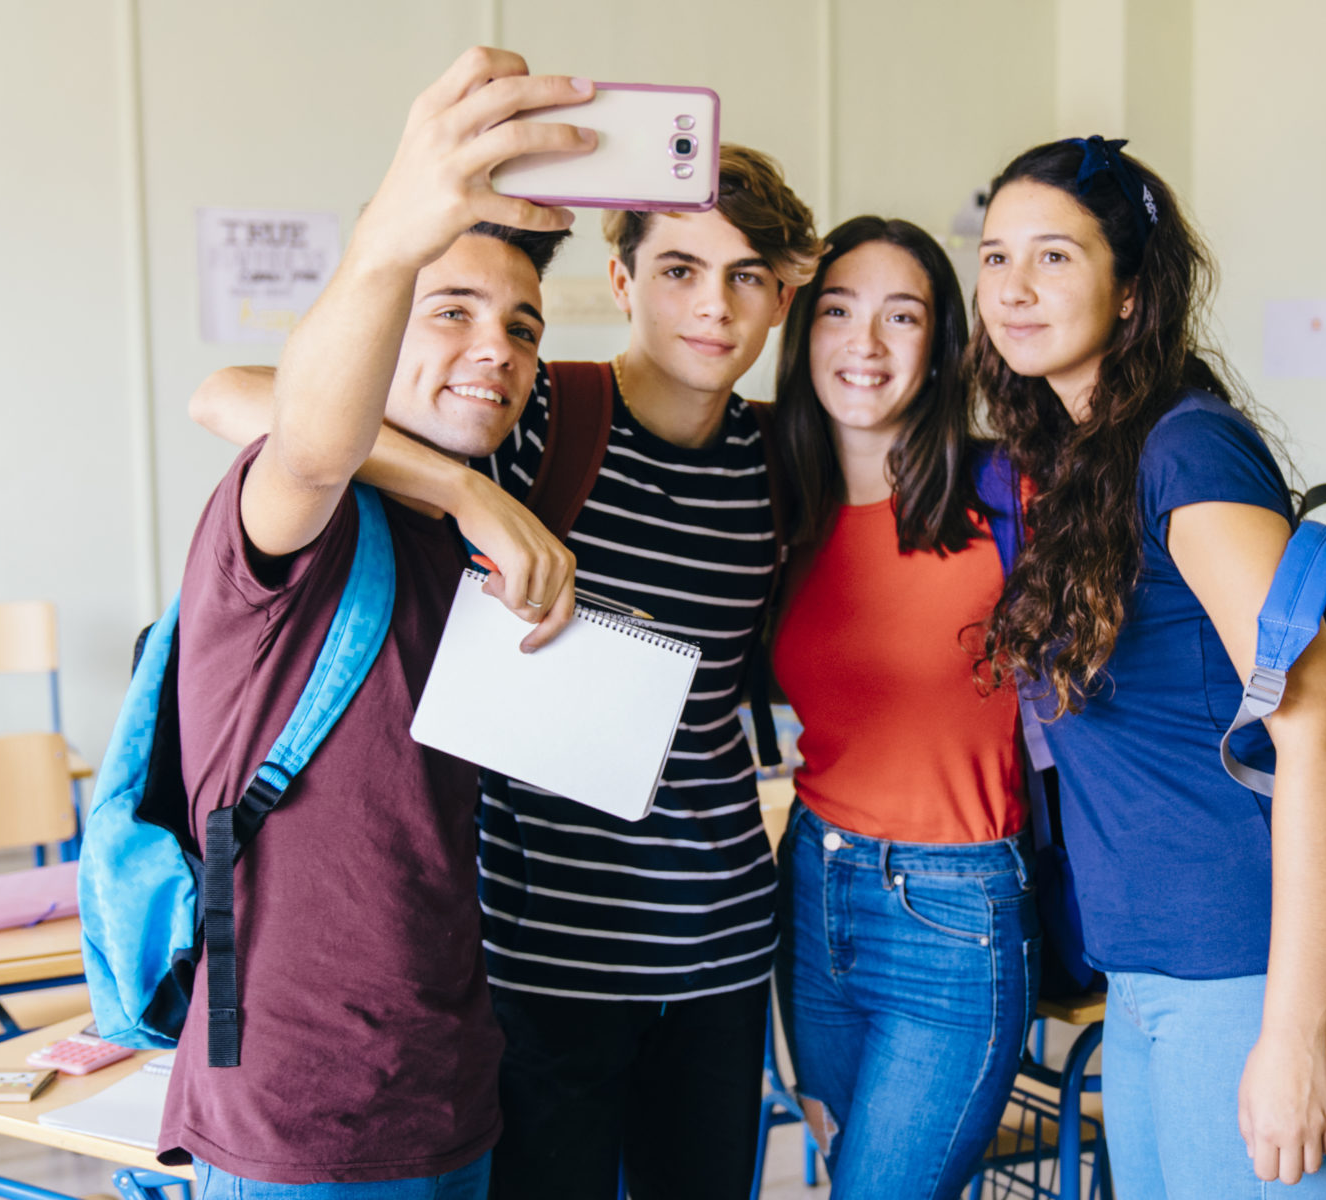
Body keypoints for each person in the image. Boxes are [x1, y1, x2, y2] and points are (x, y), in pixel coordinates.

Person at [190, 146, 821, 1199]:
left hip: (713, 947)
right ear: (621, 283)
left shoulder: (779, 462)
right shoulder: (533, 414)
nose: (712, 306)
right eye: (677, 270)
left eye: (747, 276)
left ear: (779, 297)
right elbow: (241, 395)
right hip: (536, 958)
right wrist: (470, 492)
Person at [158, 47, 591, 1198]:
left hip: (447, 1085)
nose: (493, 348)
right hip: (301, 1113)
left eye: (521, 326)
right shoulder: (299, 516)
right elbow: (303, 428)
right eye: (447, 311)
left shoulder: (472, 540)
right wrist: (394, 236)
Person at [973, 136, 1326, 1198]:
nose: (1013, 289)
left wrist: (1292, 1037)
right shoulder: (1076, 459)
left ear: (1128, 292)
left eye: (1054, 257)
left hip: (1247, 971)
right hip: (1153, 965)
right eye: (992, 257)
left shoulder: (1185, 451)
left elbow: (1318, 727)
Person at [766, 216, 1036, 1198]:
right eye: (837, 311)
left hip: (953, 910)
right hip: (813, 880)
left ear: (940, 348)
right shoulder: (774, 497)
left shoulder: (1007, 493)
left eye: (900, 316)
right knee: (848, 1171)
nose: (863, 344)